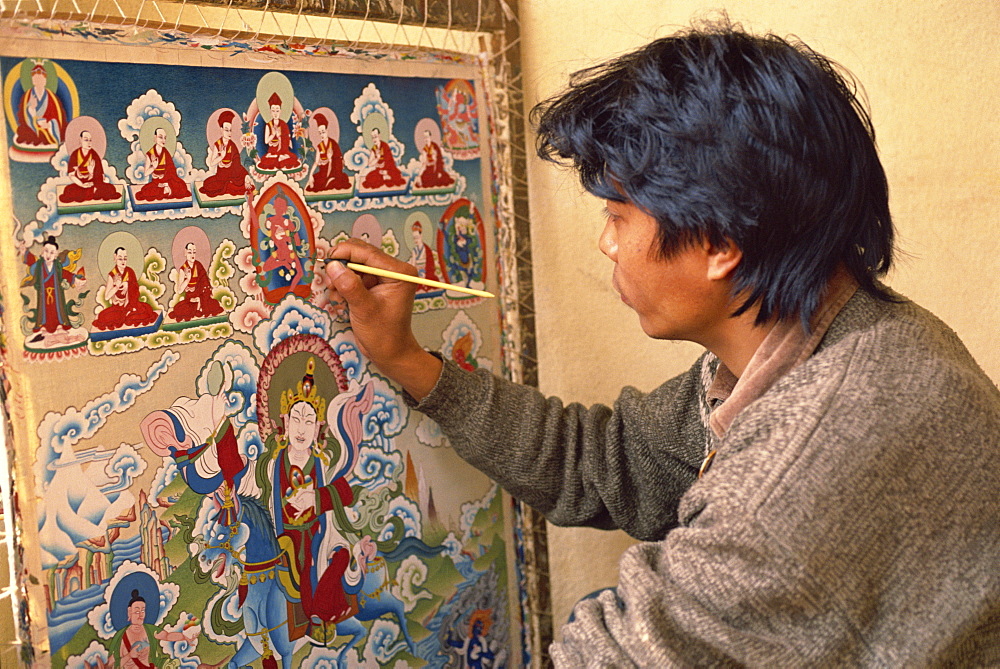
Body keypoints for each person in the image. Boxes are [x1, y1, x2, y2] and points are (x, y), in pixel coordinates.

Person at [324, 21, 1000, 667]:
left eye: (619, 215)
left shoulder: (787, 484)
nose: (605, 241)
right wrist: (409, 363)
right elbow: (606, 460)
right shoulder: (848, 334)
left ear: (720, 244)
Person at [19, 235, 86, 340]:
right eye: (46, 251)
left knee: (57, 310)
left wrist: (76, 279)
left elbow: (65, 274)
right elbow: (31, 261)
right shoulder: (40, 265)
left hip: (56, 294)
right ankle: (44, 326)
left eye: (51, 252)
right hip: (44, 294)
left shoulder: (57, 266)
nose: (48, 255)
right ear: (42, 252)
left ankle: (59, 324)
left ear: (56, 255)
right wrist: (25, 251)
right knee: (45, 311)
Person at [92, 246, 158, 331]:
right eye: (120, 259)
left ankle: (129, 313)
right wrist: (116, 287)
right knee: (102, 317)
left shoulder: (130, 271)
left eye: (125, 258)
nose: (123, 261)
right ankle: (127, 314)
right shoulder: (112, 275)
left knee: (146, 310)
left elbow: (135, 289)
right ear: (115, 258)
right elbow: (107, 297)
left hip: (131, 305)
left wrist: (128, 284)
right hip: (118, 307)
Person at [200, 110, 252, 198]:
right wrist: (221, 156)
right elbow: (212, 163)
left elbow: (237, 165)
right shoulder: (218, 144)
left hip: (233, 176)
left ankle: (229, 184)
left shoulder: (233, 146)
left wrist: (246, 175)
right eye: (226, 130)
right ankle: (228, 185)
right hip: (221, 176)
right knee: (207, 184)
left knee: (242, 184)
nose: (229, 133)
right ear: (221, 130)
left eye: (230, 130)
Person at [60, 129, 121, 203]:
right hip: (80, 184)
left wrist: (92, 174)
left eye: (90, 140)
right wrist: (82, 184)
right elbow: (71, 175)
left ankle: (93, 191)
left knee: (109, 189)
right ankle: (92, 192)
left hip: (94, 183)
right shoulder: (75, 155)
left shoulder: (94, 155)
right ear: (80, 140)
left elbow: (100, 175)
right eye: (86, 140)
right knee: (69, 190)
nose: (89, 142)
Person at [15, 61, 66, 148]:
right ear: (33, 81)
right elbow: (22, 116)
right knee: (24, 133)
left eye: (41, 79)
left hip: (47, 127)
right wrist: (31, 108)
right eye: (36, 79)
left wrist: (49, 125)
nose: (39, 81)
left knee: (61, 131)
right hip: (32, 127)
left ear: (45, 81)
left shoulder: (52, 97)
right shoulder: (27, 95)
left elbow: (58, 116)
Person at [168, 242, 223, 321]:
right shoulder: (183, 269)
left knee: (214, 305)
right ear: (185, 253)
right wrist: (187, 279)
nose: (192, 255)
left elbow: (204, 282)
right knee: (180, 310)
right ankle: (197, 307)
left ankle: (200, 306)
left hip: (201, 296)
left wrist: (200, 292)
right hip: (190, 299)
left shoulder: (198, 265)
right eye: (190, 252)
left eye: (194, 252)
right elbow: (179, 291)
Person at [135, 126, 190, 202]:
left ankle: (166, 189)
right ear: (155, 138)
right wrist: (154, 167)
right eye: (160, 137)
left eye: (165, 138)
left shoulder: (166, 153)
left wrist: (165, 180)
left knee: (182, 186)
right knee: (146, 191)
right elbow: (146, 173)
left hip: (168, 181)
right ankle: (165, 190)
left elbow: (172, 171)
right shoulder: (150, 154)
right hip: (157, 183)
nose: (163, 140)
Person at [305, 113, 351, 193]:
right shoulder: (320, 146)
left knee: (335, 182)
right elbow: (316, 162)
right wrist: (310, 175)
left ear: (327, 130)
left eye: (323, 132)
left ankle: (331, 180)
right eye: (320, 133)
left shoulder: (333, 144)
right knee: (315, 182)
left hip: (334, 171)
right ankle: (328, 181)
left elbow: (339, 159)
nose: (322, 135)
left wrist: (330, 159)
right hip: (323, 172)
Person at [257, 92, 301, 171]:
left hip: (283, 152)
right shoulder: (268, 125)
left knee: (293, 158)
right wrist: (273, 134)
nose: (275, 113)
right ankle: (278, 158)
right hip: (272, 153)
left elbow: (287, 140)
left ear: (280, 111)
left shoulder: (284, 125)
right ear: (270, 111)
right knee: (265, 160)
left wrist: (280, 136)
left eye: (277, 110)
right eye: (273, 111)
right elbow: (266, 141)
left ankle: (281, 158)